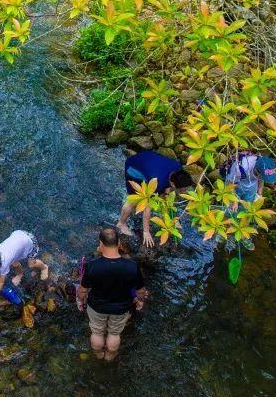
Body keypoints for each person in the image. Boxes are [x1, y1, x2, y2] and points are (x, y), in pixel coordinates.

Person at [76, 226, 147, 361]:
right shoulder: (132, 266)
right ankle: (110, 356)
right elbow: (140, 290)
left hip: (97, 307)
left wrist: (80, 300)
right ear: (118, 243)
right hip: (121, 308)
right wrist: (140, 301)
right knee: (114, 333)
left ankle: (98, 354)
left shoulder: (92, 265)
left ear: (101, 244)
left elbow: (83, 289)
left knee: (97, 332)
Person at [116, 150, 194, 247]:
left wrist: (167, 190)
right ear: (173, 184)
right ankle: (121, 223)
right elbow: (147, 209)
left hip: (148, 157)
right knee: (134, 199)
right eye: (182, 190)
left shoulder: (178, 168)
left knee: (164, 193)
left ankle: (168, 218)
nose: (185, 192)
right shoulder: (156, 183)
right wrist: (146, 232)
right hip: (133, 167)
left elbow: (167, 190)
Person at [0, 229, 49, 304]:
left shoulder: (4, 262)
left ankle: (44, 268)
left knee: (31, 264)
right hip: (19, 234)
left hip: (30, 240)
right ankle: (20, 274)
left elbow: (1, 282)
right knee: (13, 262)